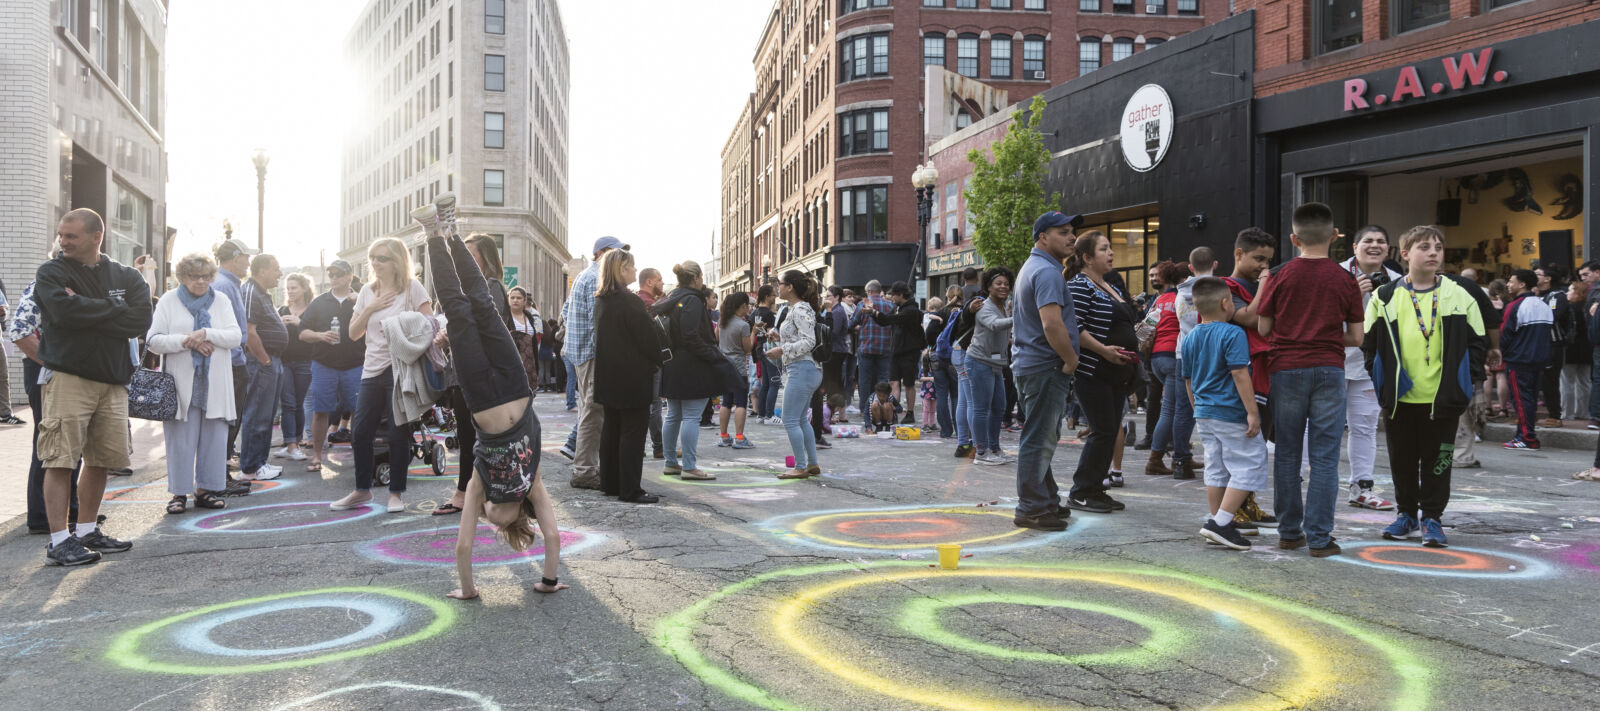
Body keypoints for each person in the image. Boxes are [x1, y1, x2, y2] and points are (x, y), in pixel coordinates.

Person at [414, 217, 568, 598]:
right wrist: (468, 589)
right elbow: (466, 547)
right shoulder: (498, 485)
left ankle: (440, 233)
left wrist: (548, 580)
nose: (492, 510)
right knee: (472, 307)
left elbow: (549, 535)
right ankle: (440, 232)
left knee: (473, 308)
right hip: (498, 390)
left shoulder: (514, 484)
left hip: (502, 390)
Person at [33, 208, 152, 565]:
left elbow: (139, 319)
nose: (63, 242)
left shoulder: (126, 275)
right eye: (61, 235)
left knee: (102, 460)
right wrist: (114, 307)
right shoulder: (52, 271)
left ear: (96, 236)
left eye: (71, 236)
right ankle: (58, 541)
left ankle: (85, 531)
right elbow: (62, 313)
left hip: (113, 381)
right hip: (69, 377)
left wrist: (89, 307)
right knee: (60, 459)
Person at [1359, 226, 1488, 550]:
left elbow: (1477, 344)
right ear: (1405, 254)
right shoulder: (1385, 296)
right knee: (1401, 461)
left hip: (1442, 399)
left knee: (1439, 461)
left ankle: (1432, 517)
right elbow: (1370, 345)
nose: (1433, 253)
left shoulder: (1459, 295)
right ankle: (1406, 515)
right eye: (1424, 247)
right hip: (1400, 398)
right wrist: (1382, 385)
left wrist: (1464, 386)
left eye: (1438, 248)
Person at [1256, 202, 1365, 558]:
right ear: (1335, 236)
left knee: (1287, 452)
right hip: (1330, 368)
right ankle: (1319, 537)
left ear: (1293, 238)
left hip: (1286, 368)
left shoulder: (1280, 275)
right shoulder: (1345, 279)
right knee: (1324, 456)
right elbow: (1357, 337)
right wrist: (1328, 336)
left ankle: (1289, 532)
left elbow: (1264, 327)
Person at [334, 237, 434, 512]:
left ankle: (396, 494)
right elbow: (353, 334)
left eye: (382, 258)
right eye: (373, 257)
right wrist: (370, 308)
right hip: (371, 368)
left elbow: (431, 324)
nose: (375, 263)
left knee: (397, 431)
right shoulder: (368, 290)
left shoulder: (412, 288)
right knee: (361, 431)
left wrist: (402, 324)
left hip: (401, 368)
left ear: (396, 261)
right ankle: (361, 490)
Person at [148, 253, 242, 514]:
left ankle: (206, 490)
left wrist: (207, 333)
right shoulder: (168, 300)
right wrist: (186, 341)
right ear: (182, 277)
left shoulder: (220, 300)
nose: (200, 281)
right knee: (180, 441)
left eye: (205, 276)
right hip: (181, 383)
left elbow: (235, 336)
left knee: (214, 437)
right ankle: (178, 493)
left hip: (214, 384)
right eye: (193, 276)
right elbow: (153, 340)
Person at [1180, 277, 1265, 550]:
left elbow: (1188, 379)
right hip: (1229, 410)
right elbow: (1239, 372)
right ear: (1226, 303)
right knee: (1249, 463)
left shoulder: (1191, 336)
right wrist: (1253, 412)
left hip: (1204, 412)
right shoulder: (1233, 333)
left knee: (1216, 467)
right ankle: (1221, 522)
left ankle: (1220, 522)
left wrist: (1197, 409)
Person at [1011, 211, 1082, 531]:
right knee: (1039, 438)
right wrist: (1070, 359)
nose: (1072, 237)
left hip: (1033, 365)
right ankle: (1032, 508)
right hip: (1044, 366)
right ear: (1043, 237)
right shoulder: (1047, 272)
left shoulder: (1036, 268)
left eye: (1072, 231)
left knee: (1043, 435)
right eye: (1063, 232)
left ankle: (1046, 499)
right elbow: (1051, 324)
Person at [1065, 231, 1137, 514]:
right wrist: (1105, 350)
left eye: (1110, 248)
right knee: (1103, 430)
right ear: (1086, 257)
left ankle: (1096, 488)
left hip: (1116, 372)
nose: (1111, 253)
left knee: (1109, 431)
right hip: (1093, 370)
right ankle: (1081, 491)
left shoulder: (1109, 285)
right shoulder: (1079, 285)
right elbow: (1075, 327)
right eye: (1104, 249)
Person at [593, 250, 668, 503]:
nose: (635, 272)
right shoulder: (630, 301)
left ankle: (611, 483)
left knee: (612, 429)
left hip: (608, 374)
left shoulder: (602, 300)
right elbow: (648, 339)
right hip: (632, 375)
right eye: (632, 267)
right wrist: (656, 360)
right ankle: (630, 489)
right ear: (621, 269)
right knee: (633, 433)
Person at [1337, 226, 1402, 510]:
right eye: (1368, 241)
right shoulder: (1336, 274)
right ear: (1354, 247)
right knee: (1316, 425)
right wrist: (1352, 293)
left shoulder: (1399, 281)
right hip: (1333, 359)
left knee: (1364, 427)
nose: (1374, 246)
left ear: (1388, 249)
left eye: (1380, 242)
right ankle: (1303, 483)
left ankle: (1362, 488)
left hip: (1369, 365)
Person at [1220, 228, 1279, 530]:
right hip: (1242, 376)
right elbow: (1251, 318)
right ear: (1238, 254)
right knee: (1243, 447)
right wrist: (1267, 284)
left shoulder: (1258, 283)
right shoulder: (1224, 288)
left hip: (1266, 374)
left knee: (1257, 446)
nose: (1264, 266)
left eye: (1268, 261)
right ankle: (1233, 510)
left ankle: (1247, 503)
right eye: (1258, 259)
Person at [560, 237, 629, 488]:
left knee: (590, 409)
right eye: (615, 252)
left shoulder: (586, 277)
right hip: (590, 353)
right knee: (592, 411)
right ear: (600, 253)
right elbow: (598, 323)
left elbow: (565, 312)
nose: (620, 258)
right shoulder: (595, 279)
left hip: (581, 352)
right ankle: (585, 471)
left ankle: (587, 466)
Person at [654, 261, 732, 481]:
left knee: (673, 415)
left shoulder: (671, 297)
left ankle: (671, 462)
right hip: (692, 365)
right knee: (691, 416)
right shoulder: (693, 300)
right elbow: (691, 335)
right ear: (697, 277)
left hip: (671, 362)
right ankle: (689, 466)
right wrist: (711, 355)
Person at [297, 260, 363, 474]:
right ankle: (317, 455)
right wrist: (319, 335)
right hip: (324, 364)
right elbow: (302, 333)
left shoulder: (361, 299)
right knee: (320, 410)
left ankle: (361, 453)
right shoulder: (319, 302)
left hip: (356, 364)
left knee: (358, 411)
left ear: (349, 276)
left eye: (339, 274)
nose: (334, 278)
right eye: (331, 274)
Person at [767, 269, 824, 479]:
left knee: (790, 419)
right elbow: (800, 338)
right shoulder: (797, 309)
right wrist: (779, 339)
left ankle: (800, 466)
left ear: (790, 287)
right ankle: (811, 463)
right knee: (800, 420)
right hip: (805, 369)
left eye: (780, 283)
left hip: (802, 369)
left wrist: (781, 349)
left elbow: (809, 342)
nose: (777, 287)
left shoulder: (799, 309)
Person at [237, 254, 287, 483]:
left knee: (266, 415)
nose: (279, 273)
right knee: (257, 413)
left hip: (270, 361)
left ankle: (259, 462)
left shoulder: (261, 293)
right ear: (262, 270)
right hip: (261, 362)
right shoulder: (250, 292)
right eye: (276, 268)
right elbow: (249, 331)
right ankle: (250, 467)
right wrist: (265, 361)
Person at [1145, 260, 1194, 478]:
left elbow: (1144, 328)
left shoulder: (1159, 300)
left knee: (1171, 408)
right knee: (1173, 410)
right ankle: (1156, 460)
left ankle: (1179, 455)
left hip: (1156, 358)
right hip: (1174, 357)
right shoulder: (1180, 298)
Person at [211, 238, 255, 468]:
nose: (249, 263)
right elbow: (222, 326)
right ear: (237, 257)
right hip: (229, 361)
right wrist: (238, 355)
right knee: (228, 417)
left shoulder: (229, 283)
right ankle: (221, 473)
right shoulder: (223, 285)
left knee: (230, 417)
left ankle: (222, 471)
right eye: (247, 257)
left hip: (233, 359)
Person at [966, 267, 1015, 466]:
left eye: (1006, 283)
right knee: (981, 408)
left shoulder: (1005, 306)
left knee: (999, 407)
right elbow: (994, 325)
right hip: (979, 361)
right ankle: (982, 451)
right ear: (988, 287)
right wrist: (1021, 317)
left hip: (996, 363)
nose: (1003, 287)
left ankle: (994, 448)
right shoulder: (983, 307)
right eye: (998, 284)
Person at [1501, 269, 1554, 450]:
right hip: (1539, 360)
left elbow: (1505, 334)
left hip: (1519, 360)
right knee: (1529, 399)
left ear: (1522, 284)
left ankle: (1527, 437)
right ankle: (1523, 435)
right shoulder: (1543, 305)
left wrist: (1500, 354)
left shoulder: (1515, 306)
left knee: (1521, 400)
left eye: (1511, 281)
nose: (1508, 284)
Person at [862, 281, 924, 423]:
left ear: (901, 295)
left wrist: (873, 311)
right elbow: (885, 321)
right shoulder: (897, 307)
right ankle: (892, 410)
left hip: (909, 351)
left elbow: (891, 319)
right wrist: (873, 313)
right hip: (896, 351)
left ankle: (910, 412)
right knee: (893, 382)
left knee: (908, 383)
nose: (892, 298)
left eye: (893, 295)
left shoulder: (911, 310)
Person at [274, 272, 315, 462]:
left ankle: (296, 443)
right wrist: (279, 325)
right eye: (288, 288)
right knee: (288, 403)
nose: (290, 291)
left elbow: (318, 334)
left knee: (298, 403)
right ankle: (290, 444)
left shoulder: (312, 309)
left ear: (304, 288)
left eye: (294, 288)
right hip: (284, 360)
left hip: (305, 361)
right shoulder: (282, 309)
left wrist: (300, 323)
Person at [850, 280, 895, 425]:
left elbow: (852, 323)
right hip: (884, 347)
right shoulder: (889, 305)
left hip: (866, 347)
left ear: (869, 291)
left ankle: (865, 408)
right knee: (883, 378)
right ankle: (883, 406)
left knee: (865, 379)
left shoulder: (862, 305)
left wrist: (858, 327)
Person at [717, 292, 757, 449]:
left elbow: (717, 339)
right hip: (738, 368)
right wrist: (753, 332)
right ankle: (739, 438)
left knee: (726, 402)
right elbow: (747, 349)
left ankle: (724, 436)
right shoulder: (743, 325)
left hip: (724, 367)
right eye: (747, 305)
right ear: (742, 306)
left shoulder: (722, 322)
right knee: (740, 402)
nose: (748, 308)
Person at [1535, 264, 1571, 427]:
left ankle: (1555, 415)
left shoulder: (1557, 296)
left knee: (1550, 380)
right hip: (1535, 345)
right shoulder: (1533, 295)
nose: (1535, 277)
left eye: (1538, 274)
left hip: (1552, 344)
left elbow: (1551, 317)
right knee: (1536, 381)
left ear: (1548, 278)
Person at [1563, 281, 1591, 423]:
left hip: (1570, 348)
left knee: (1567, 381)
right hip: (1587, 349)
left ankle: (1567, 413)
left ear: (1577, 292)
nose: (1567, 293)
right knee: (1585, 382)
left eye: (1570, 290)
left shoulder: (1570, 308)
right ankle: (1584, 411)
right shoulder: (1588, 308)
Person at [752, 285, 782, 423]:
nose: (774, 297)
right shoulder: (769, 315)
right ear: (766, 296)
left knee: (765, 384)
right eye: (772, 295)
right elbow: (771, 334)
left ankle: (761, 415)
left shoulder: (755, 313)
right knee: (774, 382)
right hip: (769, 350)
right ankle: (770, 415)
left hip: (759, 349)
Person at [507, 286, 542, 392]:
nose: (515, 300)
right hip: (511, 365)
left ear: (524, 301)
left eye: (518, 298)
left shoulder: (529, 317)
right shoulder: (505, 318)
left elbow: (534, 342)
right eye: (512, 298)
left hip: (529, 364)